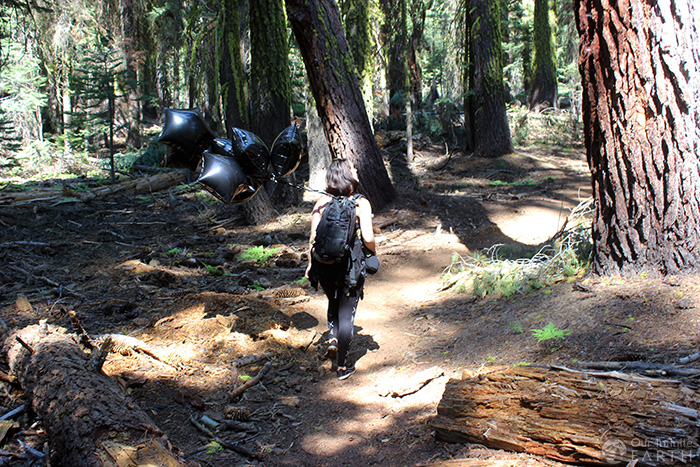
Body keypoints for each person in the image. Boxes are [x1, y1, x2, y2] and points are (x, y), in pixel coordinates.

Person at [305, 158, 376, 380]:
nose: (356, 170)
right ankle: (344, 366)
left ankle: (333, 338)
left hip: (323, 266)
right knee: (347, 313)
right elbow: (368, 237)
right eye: (353, 169)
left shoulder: (321, 202)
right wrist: (372, 253)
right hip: (349, 267)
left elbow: (313, 238)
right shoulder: (360, 203)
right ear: (347, 175)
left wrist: (310, 264)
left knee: (332, 301)